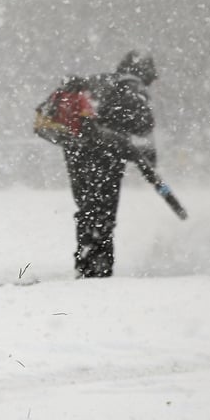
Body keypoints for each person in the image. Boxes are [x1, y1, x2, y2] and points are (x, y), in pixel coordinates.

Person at [62, 50, 157, 278]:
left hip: (76, 154)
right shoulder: (132, 89)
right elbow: (143, 124)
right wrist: (146, 157)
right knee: (103, 210)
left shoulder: (98, 81)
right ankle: (98, 263)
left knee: (86, 206)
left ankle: (86, 258)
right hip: (106, 159)